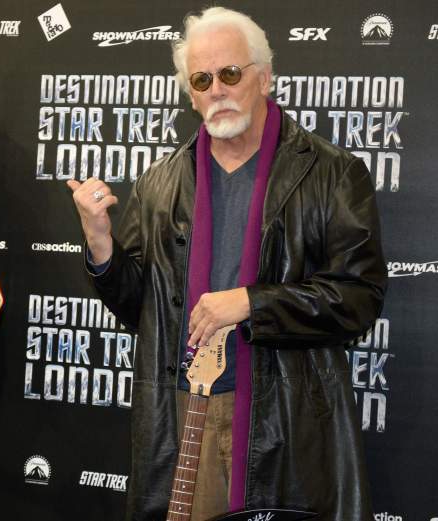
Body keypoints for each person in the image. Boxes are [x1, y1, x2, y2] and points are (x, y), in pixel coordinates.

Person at [68, 7, 386, 521]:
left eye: (230, 73)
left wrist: (252, 304)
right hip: (184, 414)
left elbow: (358, 297)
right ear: (190, 95)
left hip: (282, 415)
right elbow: (140, 309)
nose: (216, 90)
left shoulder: (331, 173)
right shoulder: (160, 182)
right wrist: (100, 240)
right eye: (201, 80)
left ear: (265, 77)